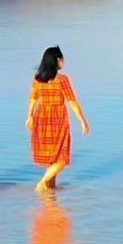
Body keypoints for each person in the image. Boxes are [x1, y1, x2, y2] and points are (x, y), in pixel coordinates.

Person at [27, 46, 91, 191]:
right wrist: (83, 121)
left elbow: (33, 99)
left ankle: (50, 192)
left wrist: (29, 117)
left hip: (41, 118)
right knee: (61, 158)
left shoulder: (38, 80)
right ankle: (42, 183)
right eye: (62, 58)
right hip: (58, 120)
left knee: (53, 158)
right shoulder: (62, 80)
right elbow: (72, 102)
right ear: (57, 60)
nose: (64, 61)